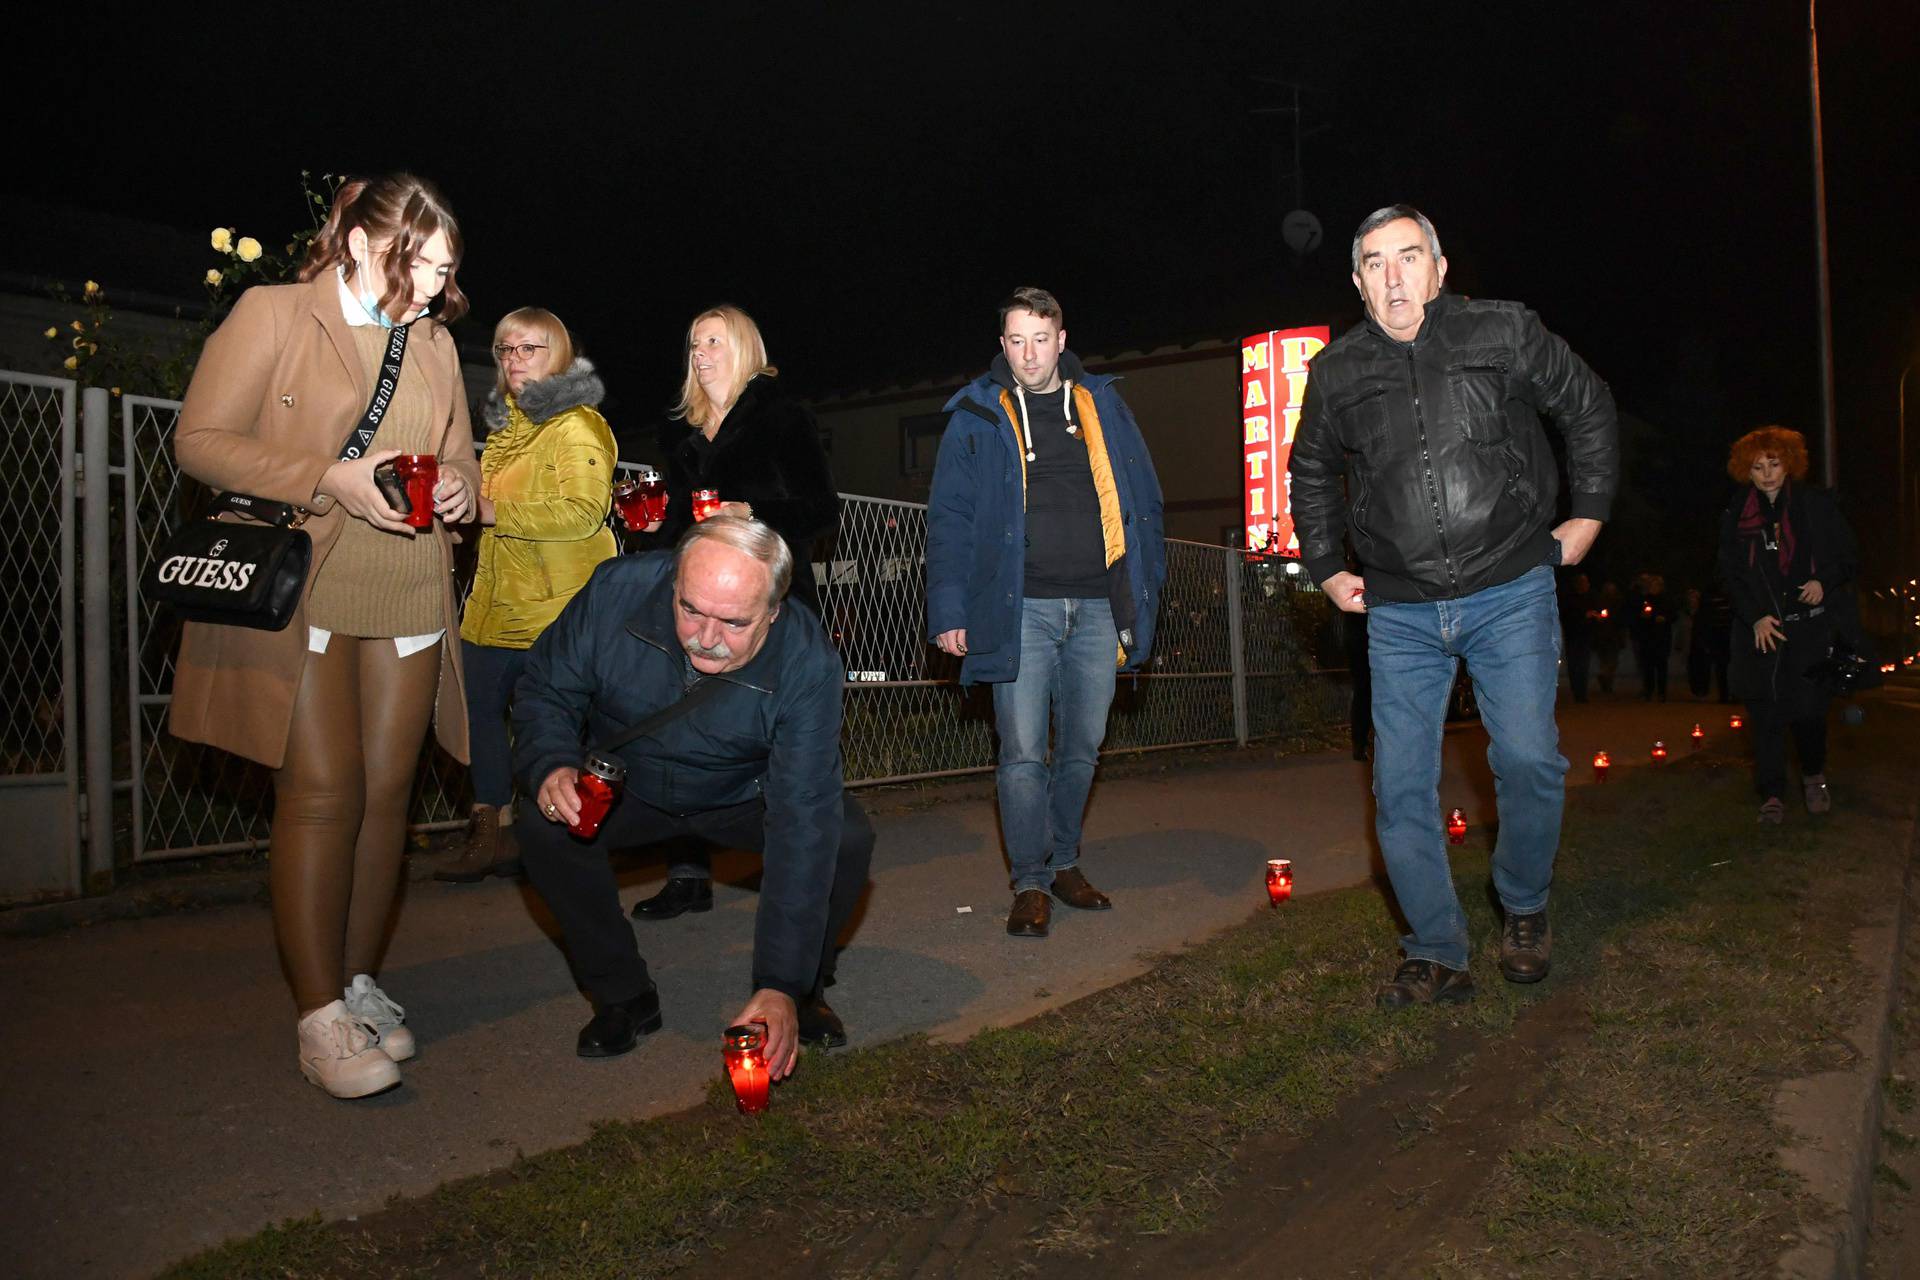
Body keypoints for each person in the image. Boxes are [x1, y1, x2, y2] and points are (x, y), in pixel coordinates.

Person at [169, 174, 480, 1097]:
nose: (429, 284)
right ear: (355, 243)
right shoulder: (273, 314)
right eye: (412, 261)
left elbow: (456, 453)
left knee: (389, 794)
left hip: (409, 582)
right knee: (321, 791)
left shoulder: (433, 342)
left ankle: (353, 986)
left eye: (443, 267)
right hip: (304, 579)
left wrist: (462, 490)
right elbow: (201, 440)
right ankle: (317, 1020)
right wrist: (329, 478)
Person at [1289, 204, 1618, 1008]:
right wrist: (1327, 566)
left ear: (1440, 270)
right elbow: (1310, 471)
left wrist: (1589, 513)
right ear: (1359, 283)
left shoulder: (1501, 333)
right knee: (1398, 786)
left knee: (1530, 761)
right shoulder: (1336, 372)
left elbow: (1586, 403)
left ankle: (1525, 905)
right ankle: (1436, 948)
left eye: (1409, 257)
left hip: (1509, 586)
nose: (1394, 276)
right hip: (1399, 611)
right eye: (1376, 263)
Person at [513, 518, 872, 1068]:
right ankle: (623, 995)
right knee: (543, 824)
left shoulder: (806, 658)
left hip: (740, 792)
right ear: (673, 581)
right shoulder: (615, 591)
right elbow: (545, 686)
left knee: (843, 837)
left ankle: (800, 995)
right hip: (632, 784)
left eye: (733, 623)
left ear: (773, 612)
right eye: (690, 610)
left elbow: (803, 817)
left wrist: (780, 980)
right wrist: (551, 764)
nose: (706, 638)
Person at [925, 287, 1166, 938]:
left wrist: (1147, 597)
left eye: (1041, 339)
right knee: (1024, 752)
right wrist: (949, 607)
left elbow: (1146, 502)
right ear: (1001, 345)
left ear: (1062, 340)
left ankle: (1065, 861)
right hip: (1018, 608)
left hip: (1097, 604)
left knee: (1083, 749)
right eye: (1016, 340)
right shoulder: (978, 415)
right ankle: (1029, 880)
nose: (1029, 354)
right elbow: (949, 518)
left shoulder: (1103, 405)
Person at [627, 305, 842, 921]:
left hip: (770, 604)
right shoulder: (682, 429)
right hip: (697, 606)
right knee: (684, 735)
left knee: (774, 738)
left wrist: (755, 510)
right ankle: (689, 875)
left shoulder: (782, 417)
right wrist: (648, 522)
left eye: (713, 341)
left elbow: (822, 509)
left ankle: (796, 868)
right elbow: (679, 521)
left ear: (744, 347)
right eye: (694, 342)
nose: (700, 353)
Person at [437, 309, 617, 883]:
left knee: (556, 726)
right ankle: (493, 831)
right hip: (494, 604)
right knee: (478, 716)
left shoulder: (576, 425)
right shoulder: (508, 432)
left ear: (558, 355)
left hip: (555, 610)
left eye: (529, 349)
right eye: (505, 350)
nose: (514, 360)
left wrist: (491, 510)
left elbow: (584, 514)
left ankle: (566, 838)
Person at [1716, 426, 1858, 823]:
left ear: (1788, 464)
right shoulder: (1736, 513)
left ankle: (1813, 776)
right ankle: (1772, 793)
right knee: (1765, 714)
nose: (1766, 473)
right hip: (1760, 632)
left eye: (1774, 464)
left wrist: (1822, 582)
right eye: (1758, 466)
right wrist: (1755, 616)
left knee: (1811, 710)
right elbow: (1728, 573)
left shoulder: (1815, 506)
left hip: (1809, 629)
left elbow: (1848, 558)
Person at [1627, 571, 1674, 700]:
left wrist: (1664, 618)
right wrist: (1643, 616)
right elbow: (1636, 615)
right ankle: (1648, 691)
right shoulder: (1644, 599)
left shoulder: (1666, 599)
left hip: (1662, 637)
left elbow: (1672, 615)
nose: (1653, 587)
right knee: (1648, 666)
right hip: (1647, 637)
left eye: (1656, 585)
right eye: (1651, 585)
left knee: (1661, 666)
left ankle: (1662, 693)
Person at [1557, 572, 1594, 703]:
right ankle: (1577, 692)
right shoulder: (1569, 600)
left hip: (1585, 637)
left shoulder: (1590, 598)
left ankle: (1582, 692)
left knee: (1584, 666)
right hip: (1573, 638)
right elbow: (1568, 618)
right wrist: (1584, 616)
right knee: (1574, 666)